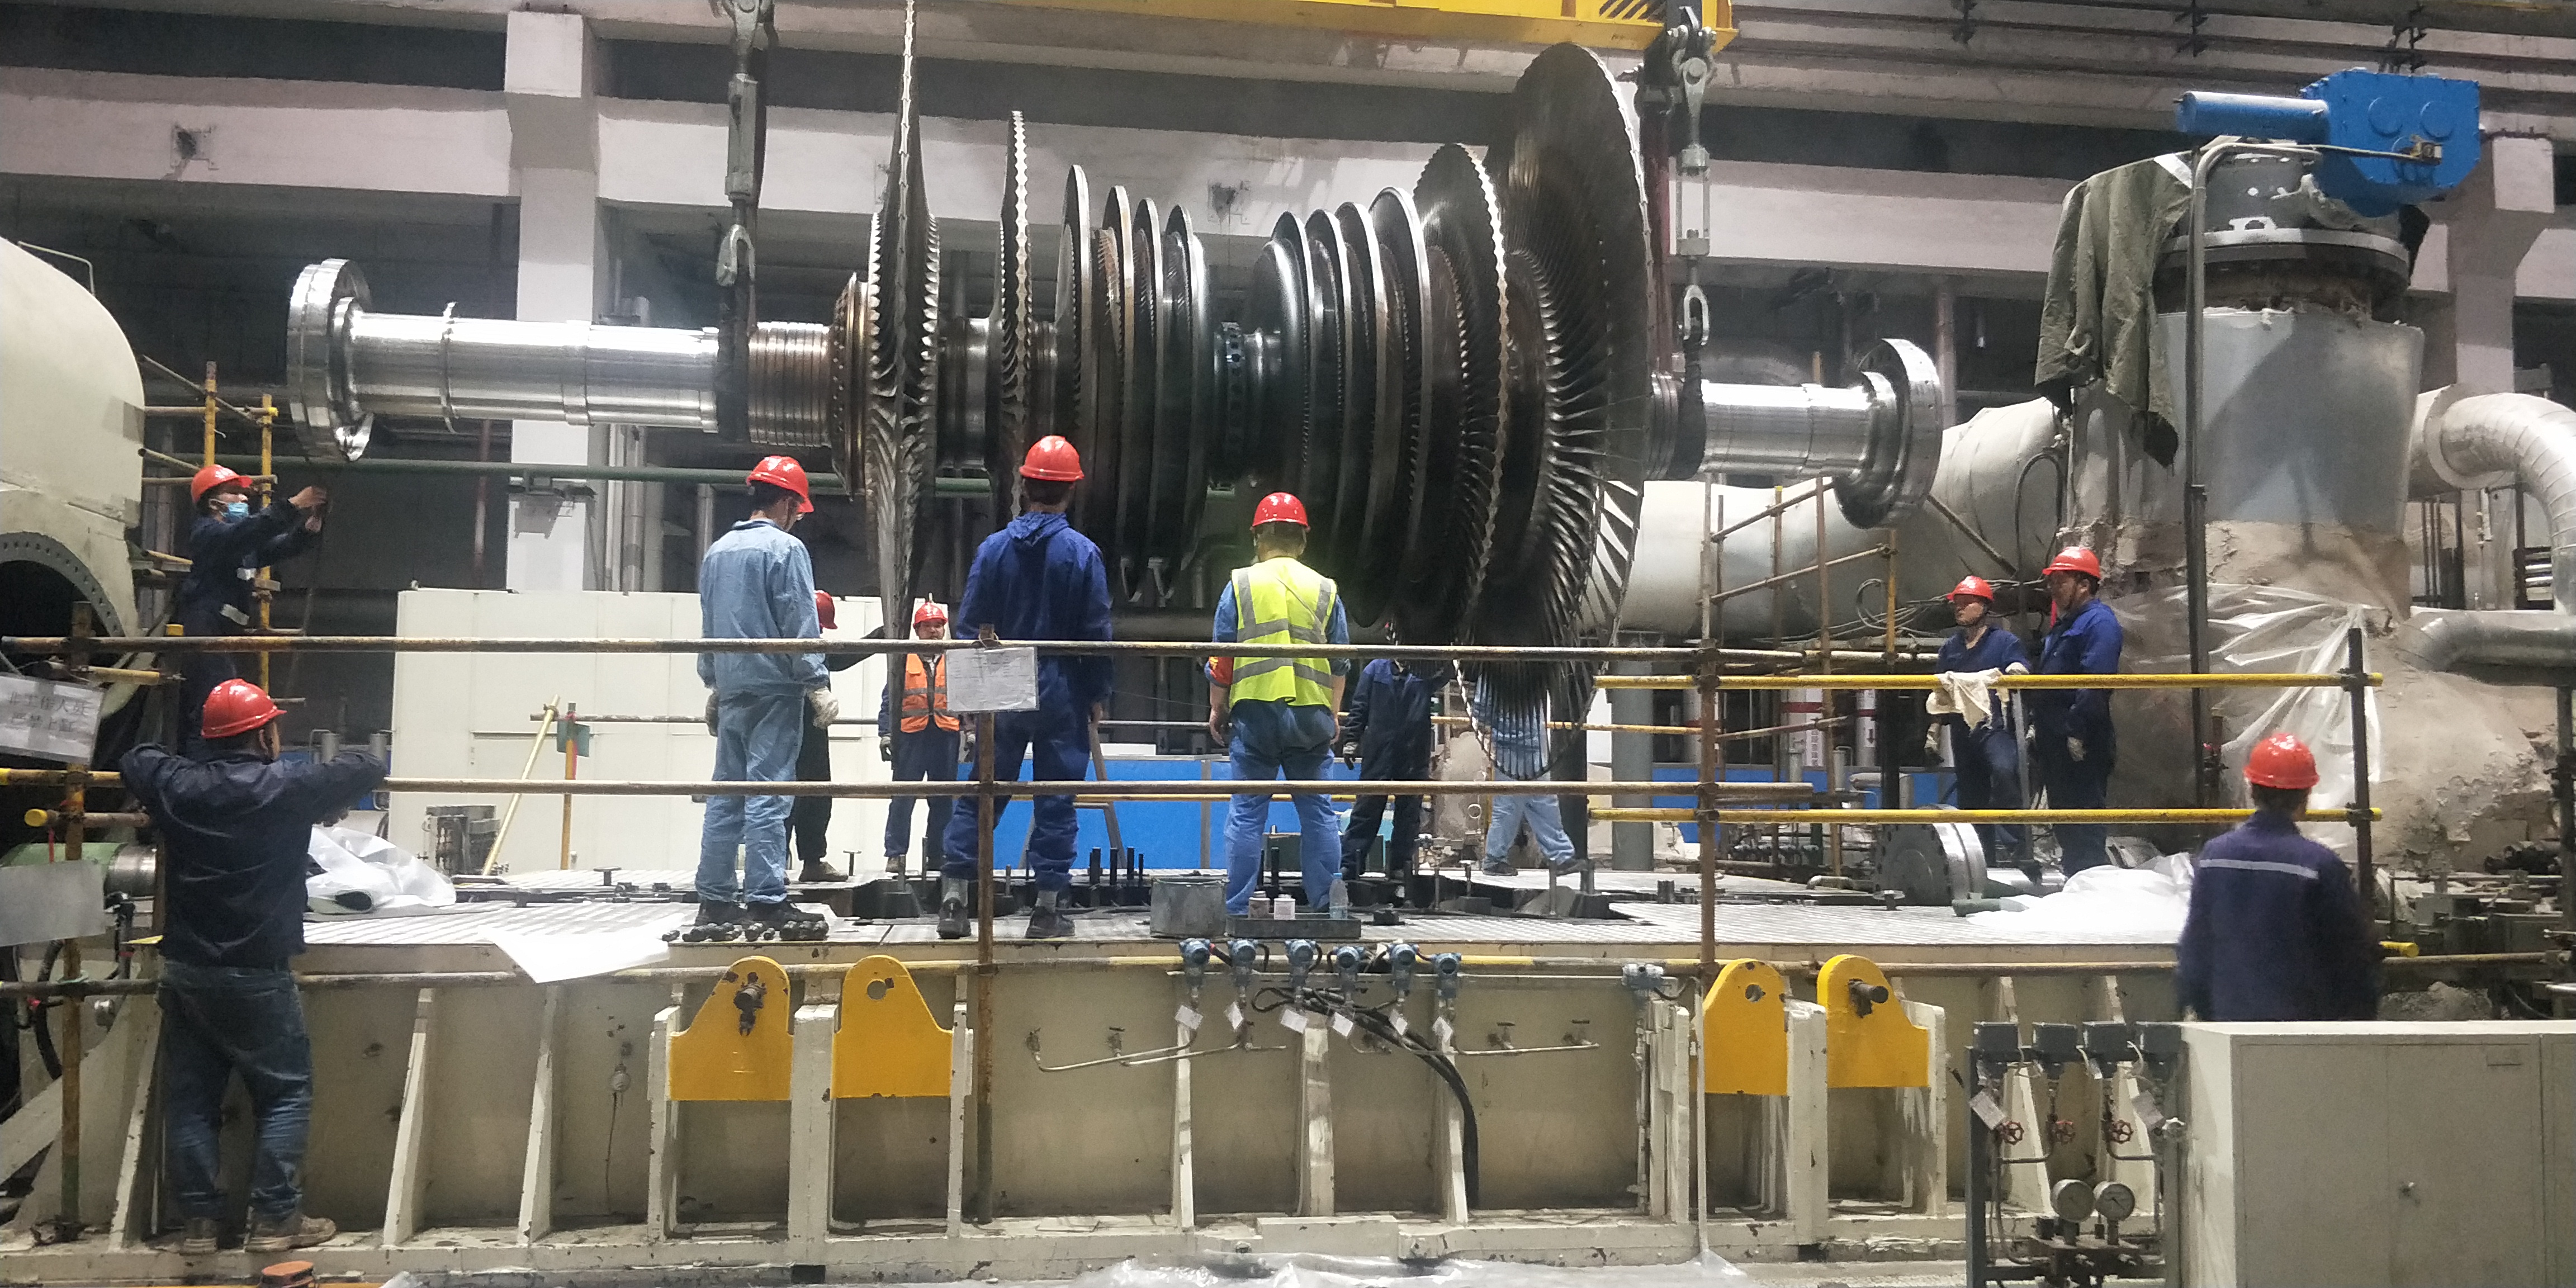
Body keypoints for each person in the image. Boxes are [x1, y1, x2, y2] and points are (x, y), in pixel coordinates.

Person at [120, 679, 387, 1255]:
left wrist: (186, 765)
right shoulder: (287, 786)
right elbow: (368, 764)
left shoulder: (179, 786)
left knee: (192, 1098)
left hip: (188, 968)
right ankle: (275, 1219)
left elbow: (137, 757)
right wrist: (320, 798)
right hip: (258, 970)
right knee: (285, 1093)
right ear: (265, 736)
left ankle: (198, 1226)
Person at [939, 435, 1114, 940]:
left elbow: (970, 626)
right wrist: (1097, 693)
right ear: (1071, 490)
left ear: (1024, 486)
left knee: (983, 792)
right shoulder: (1083, 554)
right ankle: (1047, 910)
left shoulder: (993, 550)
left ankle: (954, 900)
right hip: (1062, 685)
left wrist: (970, 699)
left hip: (1001, 682)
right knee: (1055, 799)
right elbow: (1096, 633)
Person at [692, 455, 836, 941]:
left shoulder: (717, 552)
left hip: (733, 689)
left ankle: (715, 900)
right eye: (798, 509)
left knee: (726, 795)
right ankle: (767, 900)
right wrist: (816, 682)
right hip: (776, 690)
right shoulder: (786, 549)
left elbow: (709, 624)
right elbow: (799, 620)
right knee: (768, 796)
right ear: (789, 503)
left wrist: (713, 681)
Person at [1206, 494, 1350, 916]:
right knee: (1318, 813)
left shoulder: (1240, 584)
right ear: (1303, 540)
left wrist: (1218, 709)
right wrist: (1333, 714)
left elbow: (1222, 657)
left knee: (1247, 813)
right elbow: (1340, 662)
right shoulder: (1325, 589)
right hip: (1310, 717)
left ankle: (1237, 908)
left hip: (1255, 716)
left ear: (1258, 538)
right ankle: (1326, 906)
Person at [2176, 733, 2381, 1020]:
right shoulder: (2319, 865)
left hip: (2228, 1024)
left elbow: (2195, 945)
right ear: (2306, 796)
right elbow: (2350, 957)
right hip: (2300, 1029)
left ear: (2252, 790)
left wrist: (2201, 1010)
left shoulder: (2213, 856)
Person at [174, 466, 326, 754]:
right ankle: (203, 765)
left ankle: (214, 763)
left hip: (227, 635)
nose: (244, 499)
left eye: (244, 494)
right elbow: (249, 532)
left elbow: (278, 547)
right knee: (212, 704)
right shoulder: (207, 534)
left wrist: (311, 525)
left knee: (222, 703)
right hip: (206, 632)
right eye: (234, 493)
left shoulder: (241, 545)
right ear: (213, 503)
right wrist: (294, 505)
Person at [2025, 546, 2123, 875]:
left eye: (2060, 581)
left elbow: (2095, 683)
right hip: (2055, 738)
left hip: (2081, 740)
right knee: (2065, 819)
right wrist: (2037, 724)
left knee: (2084, 819)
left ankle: (2090, 882)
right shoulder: (2066, 625)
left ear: (2084, 585)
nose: (2053, 589)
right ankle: (2076, 881)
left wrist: (2078, 732)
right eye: (2052, 582)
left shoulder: (2100, 623)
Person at [1931, 576, 2029, 868]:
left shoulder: (2004, 642)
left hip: (1995, 727)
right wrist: (1934, 730)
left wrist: (2018, 668)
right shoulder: (1951, 648)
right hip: (1963, 730)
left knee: (2004, 773)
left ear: (1985, 606)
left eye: (1966, 603)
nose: (1959, 608)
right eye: (1956, 604)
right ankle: (1981, 861)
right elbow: (1940, 692)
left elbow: (2020, 664)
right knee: (1971, 794)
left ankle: (2017, 849)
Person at [1337, 642, 1450, 887]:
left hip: (1413, 754)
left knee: (1409, 814)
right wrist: (1351, 740)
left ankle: (1401, 867)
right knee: (1367, 809)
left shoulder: (1425, 673)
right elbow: (1360, 706)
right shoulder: (1375, 670)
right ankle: (1351, 865)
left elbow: (1448, 670)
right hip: (1379, 752)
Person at [875, 599, 960, 875]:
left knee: (943, 800)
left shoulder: (955, 660)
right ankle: (896, 854)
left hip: (945, 736)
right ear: (917, 630)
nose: (933, 631)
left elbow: (967, 700)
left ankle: (938, 855)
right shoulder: (903, 660)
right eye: (927, 626)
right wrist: (886, 734)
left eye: (938, 626)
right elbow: (890, 700)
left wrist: (970, 732)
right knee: (903, 797)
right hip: (912, 737)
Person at [1472, 672, 1578, 877]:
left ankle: (1560, 857)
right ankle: (1494, 859)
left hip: (1530, 745)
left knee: (1543, 802)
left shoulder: (1503, 670)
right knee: (1510, 805)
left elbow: (1482, 711)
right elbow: (1481, 709)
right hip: (1512, 747)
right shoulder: (1500, 671)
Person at [786, 591, 859, 885]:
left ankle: (812, 862)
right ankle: (775, 866)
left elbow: (835, 658)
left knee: (816, 794)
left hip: (812, 731)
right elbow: (835, 659)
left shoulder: (814, 648)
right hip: (785, 728)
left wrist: (879, 638)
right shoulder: (787, 644)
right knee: (783, 797)